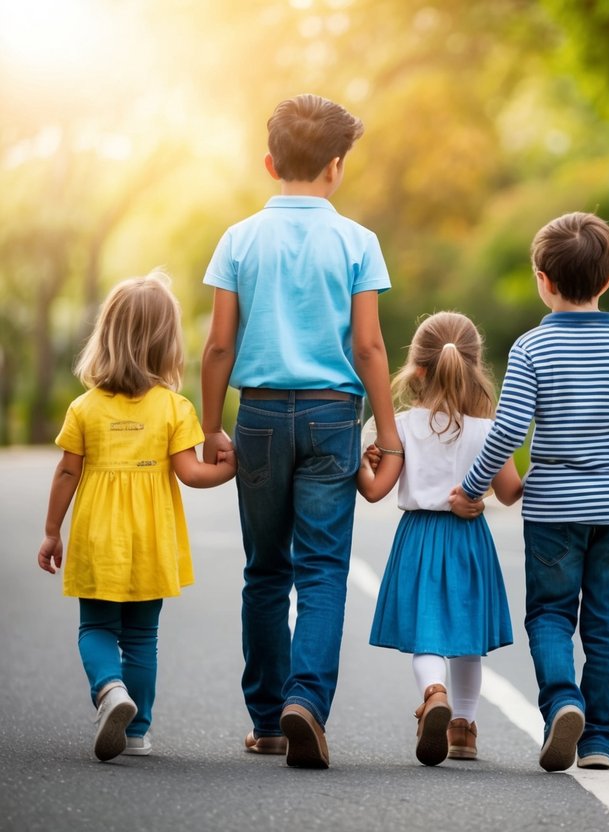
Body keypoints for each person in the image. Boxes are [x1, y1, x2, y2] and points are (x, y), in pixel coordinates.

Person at [200, 93, 405, 769]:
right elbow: (371, 349)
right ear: (337, 167)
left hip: (257, 415)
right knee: (321, 572)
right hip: (329, 416)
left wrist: (209, 427)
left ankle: (265, 720)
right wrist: (390, 434)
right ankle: (306, 704)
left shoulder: (238, 239)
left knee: (264, 570)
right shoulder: (357, 241)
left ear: (269, 162)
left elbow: (218, 349)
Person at [453, 211, 609, 772]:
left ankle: (562, 702)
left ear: (542, 280)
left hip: (553, 511)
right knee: (605, 625)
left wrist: (475, 489)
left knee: (549, 616)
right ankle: (598, 742)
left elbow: (508, 430)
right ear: (607, 282)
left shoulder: (531, 349)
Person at [37, 271, 236, 762]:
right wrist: (228, 471)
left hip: (97, 536)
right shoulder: (174, 408)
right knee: (143, 636)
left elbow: (66, 473)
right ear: (168, 345)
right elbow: (191, 474)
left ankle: (109, 691)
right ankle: (137, 730)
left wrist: (50, 532)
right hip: (152, 538)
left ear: (105, 336)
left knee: (96, 628)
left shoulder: (84, 408)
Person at [358, 311, 522, 766]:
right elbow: (510, 493)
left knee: (427, 637)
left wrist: (362, 460)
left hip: (419, 540)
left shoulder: (402, 425)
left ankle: (433, 693)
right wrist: (480, 490)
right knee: (468, 639)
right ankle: (464, 728)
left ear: (417, 368)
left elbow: (374, 490)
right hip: (469, 541)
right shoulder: (489, 430)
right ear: (474, 367)